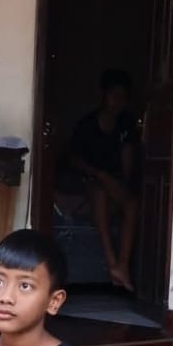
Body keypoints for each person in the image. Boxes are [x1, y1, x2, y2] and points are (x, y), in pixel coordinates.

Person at [68, 69, 141, 291]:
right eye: (114, 95)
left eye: (123, 96)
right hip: (90, 180)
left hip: (114, 183)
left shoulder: (126, 123)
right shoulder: (87, 124)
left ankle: (121, 265)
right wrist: (99, 174)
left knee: (131, 204)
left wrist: (121, 182)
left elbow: (128, 156)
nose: (118, 101)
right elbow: (74, 159)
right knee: (98, 190)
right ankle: (114, 264)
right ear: (104, 95)